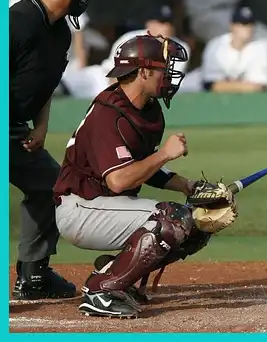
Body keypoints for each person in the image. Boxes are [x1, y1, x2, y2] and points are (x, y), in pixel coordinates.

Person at [53, 34, 236, 318]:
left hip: (107, 207)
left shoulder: (147, 110)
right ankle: (102, 289)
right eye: (164, 68)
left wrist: (188, 186)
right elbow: (119, 180)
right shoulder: (108, 114)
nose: (170, 75)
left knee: (197, 223)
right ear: (144, 72)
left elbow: (142, 166)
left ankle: (116, 274)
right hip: (81, 208)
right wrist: (165, 153)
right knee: (173, 220)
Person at [10, 0, 93, 300]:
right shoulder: (17, 21)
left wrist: (40, 126)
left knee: (50, 185)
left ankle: (33, 274)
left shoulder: (60, 33)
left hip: (15, 126)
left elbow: (45, 83)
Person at [168, 0, 267, 90]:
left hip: (231, 12)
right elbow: (178, 2)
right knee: (224, 40)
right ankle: (222, 81)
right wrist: (182, 32)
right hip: (203, 14)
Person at [62, 6, 192, 99]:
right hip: (104, 79)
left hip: (138, 89)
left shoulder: (181, 48)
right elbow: (111, 71)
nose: (167, 27)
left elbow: (167, 83)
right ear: (149, 24)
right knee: (67, 81)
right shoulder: (130, 37)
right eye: (161, 22)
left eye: (169, 23)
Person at [9, 0, 90, 75]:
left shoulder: (64, 29)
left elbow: (79, 35)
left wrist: (81, 69)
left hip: (64, 70)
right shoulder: (18, 10)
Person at [200, 6, 267, 93]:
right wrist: (242, 86)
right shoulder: (216, 46)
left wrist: (227, 85)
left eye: (250, 24)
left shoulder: (261, 48)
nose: (247, 28)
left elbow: (257, 87)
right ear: (232, 26)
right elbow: (212, 85)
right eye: (243, 24)